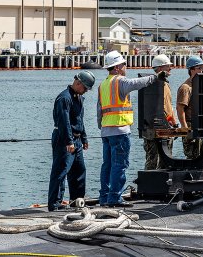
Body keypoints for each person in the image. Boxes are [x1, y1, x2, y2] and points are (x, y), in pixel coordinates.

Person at [97, 50, 162, 207]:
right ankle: (114, 198)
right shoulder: (120, 81)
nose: (126, 67)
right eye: (124, 64)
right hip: (120, 130)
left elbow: (99, 110)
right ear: (117, 67)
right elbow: (135, 83)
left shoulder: (103, 84)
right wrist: (155, 77)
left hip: (106, 131)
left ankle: (104, 197)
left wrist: (102, 126)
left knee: (107, 165)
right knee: (119, 165)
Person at [48, 71, 95, 211]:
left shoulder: (78, 98)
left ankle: (77, 201)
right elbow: (64, 122)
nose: (86, 91)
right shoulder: (64, 98)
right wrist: (69, 142)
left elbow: (79, 119)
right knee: (60, 171)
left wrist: (84, 138)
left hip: (77, 139)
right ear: (78, 83)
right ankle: (55, 204)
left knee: (79, 171)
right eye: (85, 88)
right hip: (64, 139)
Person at [143, 54, 177, 170]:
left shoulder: (164, 84)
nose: (170, 68)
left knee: (164, 161)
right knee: (154, 161)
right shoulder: (154, 84)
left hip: (164, 127)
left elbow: (167, 106)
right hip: (156, 128)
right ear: (160, 68)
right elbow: (159, 108)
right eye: (168, 66)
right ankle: (149, 182)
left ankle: (161, 181)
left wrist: (173, 123)